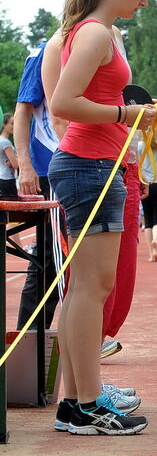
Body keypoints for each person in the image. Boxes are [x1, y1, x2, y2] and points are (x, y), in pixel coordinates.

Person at [47, 0, 157, 436]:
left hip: (95, 164)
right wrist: (124, 114)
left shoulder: (92, 32)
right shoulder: (94, 34)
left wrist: (126, 114)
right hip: (89, 165)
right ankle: (86, 403)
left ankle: (76, 400)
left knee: (83, 291)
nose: (144, 1)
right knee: (92, 289)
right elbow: (63, 102)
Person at [13, 43, 62, 330]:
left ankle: (84, 334)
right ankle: (28, 337)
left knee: (80, 264)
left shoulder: (89, 48)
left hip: (82, 166)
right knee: (49, 258)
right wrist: (25, 165)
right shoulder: (43, 53)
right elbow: (23, 110)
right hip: (50, 166)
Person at [0, 113, 18, 197]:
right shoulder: (5, 142)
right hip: (7, 179)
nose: (14, 126)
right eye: (12, 123)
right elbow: (16, 164)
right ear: (4, 124)